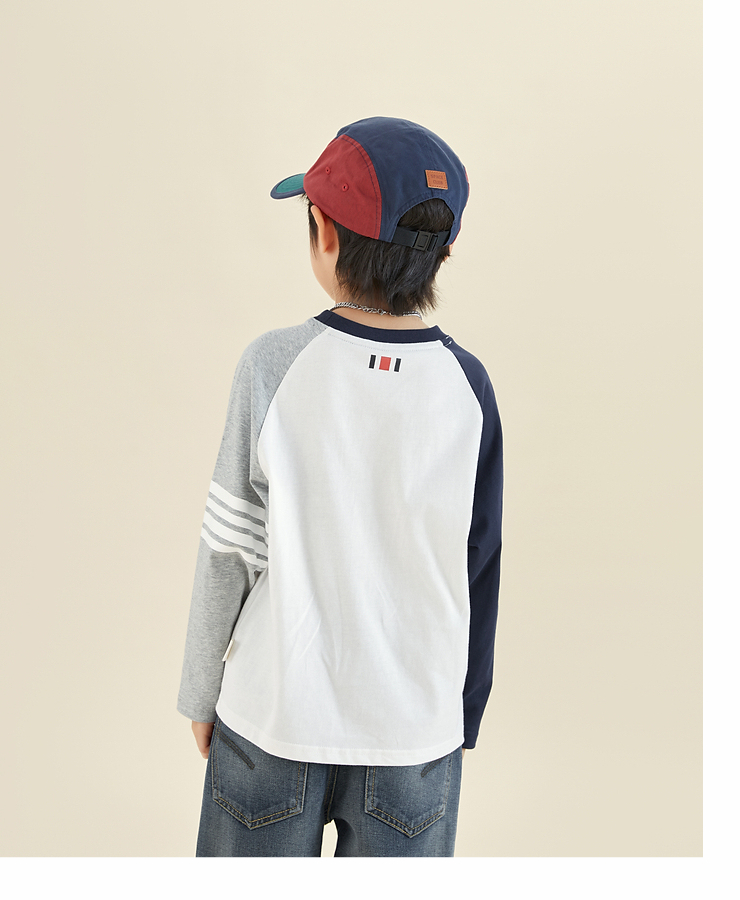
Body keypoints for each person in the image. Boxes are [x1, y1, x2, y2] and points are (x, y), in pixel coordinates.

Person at [177, 116, 503, 857]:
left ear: (324, 233)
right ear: (445, 251)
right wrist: (462, 712)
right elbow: (479, 560)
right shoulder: (468, 386)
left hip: (273, 716)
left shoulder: (273, 364)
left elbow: (230, 546)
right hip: (414, 731)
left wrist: (199, 689)